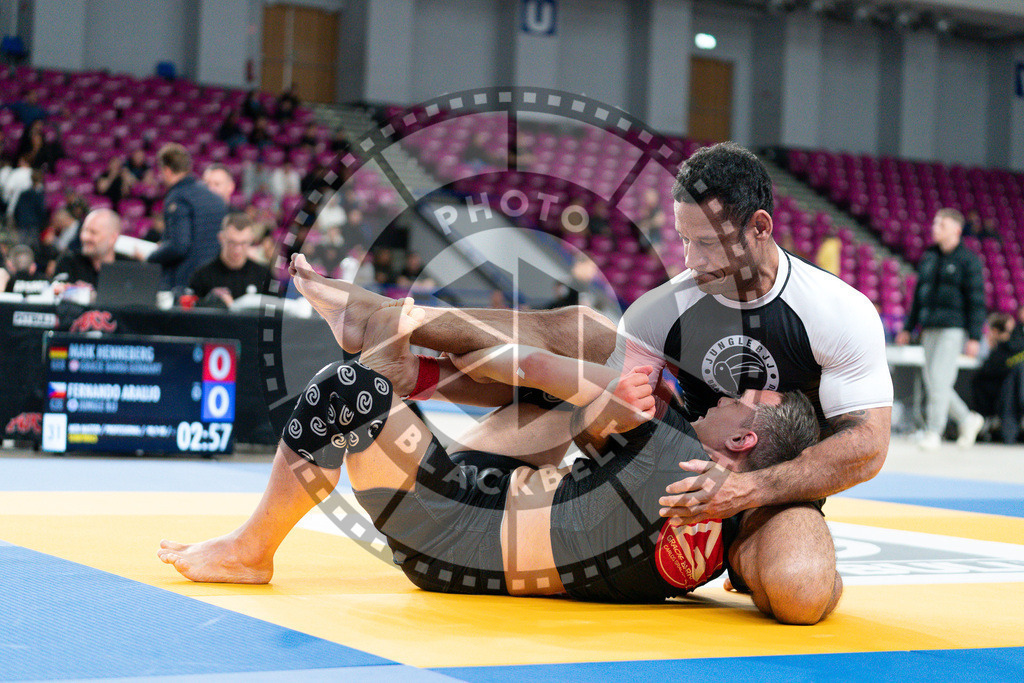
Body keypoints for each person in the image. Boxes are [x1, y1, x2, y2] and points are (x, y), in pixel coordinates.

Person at [269, 142, 893, 624]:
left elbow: (866, 447)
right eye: (683, 241)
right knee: (581, 341)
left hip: (777, 481)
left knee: (803, 591)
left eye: (709, 244)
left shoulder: (835, 311)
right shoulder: (664, 310)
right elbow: (552, 384)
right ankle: (396, 330)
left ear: (760, 227)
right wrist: (435, 372)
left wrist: (748, 491)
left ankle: (408, 359)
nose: (693, 261)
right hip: (673, 452)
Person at [159, 297, 825, 619]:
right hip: (502, 515)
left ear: (743, 439)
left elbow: (535, 359)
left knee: (346, 391)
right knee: (557, 400)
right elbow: (801, 589)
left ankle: (251, 549)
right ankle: (406, 364)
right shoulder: (741, 533)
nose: (729, 393)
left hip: (453, 534)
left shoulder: (671, 438)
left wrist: (410, 332)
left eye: (745, 400)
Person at [896, 208, 986, 449]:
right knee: (935, 382)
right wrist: (909, 327)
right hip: (929, 327)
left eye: (941, 225)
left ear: (956, 229)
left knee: (938, 379)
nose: (935, 228)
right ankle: (968, 419)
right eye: (935, 224)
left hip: (953, 329)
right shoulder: (929, 257)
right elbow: (918, 296)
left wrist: (975, 336)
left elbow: (977, 300)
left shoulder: (968, 260)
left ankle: (934, 431)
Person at [147, 144, 225, 290]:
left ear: (167, 171)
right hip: (213, 280)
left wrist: (151, 256)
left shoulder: (178, 197)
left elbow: (179, 246)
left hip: (185, 282)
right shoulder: (216, 198)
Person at [187, 213, 271, 308]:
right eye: (232, 242)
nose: (237, 249)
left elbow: (276, 313)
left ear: (251, 240)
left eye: (243, 243)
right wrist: (210, 302)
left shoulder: (263, 275)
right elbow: (190, 312)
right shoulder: (202, 275)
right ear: (221, 238)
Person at [52, 208, 127, 290]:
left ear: (113, 238)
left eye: (93, 232)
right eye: (84, 230)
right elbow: (58, 291)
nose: (85, 237)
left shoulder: (128, 267)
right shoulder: (68, 261)